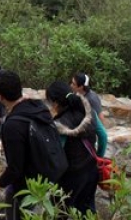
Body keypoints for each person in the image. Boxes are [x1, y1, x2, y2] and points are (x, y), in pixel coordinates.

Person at [0, 70, 55, 220]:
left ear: (0, 96)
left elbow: (15, 169)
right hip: (44, 180)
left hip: (24, 188)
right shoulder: (39, 107)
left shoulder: (12, 125)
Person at [46, 81, 98, 214]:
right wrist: (98, 158)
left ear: (55, 103)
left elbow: (56, 158)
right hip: (91, 170)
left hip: (71, 177)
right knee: (86, 212)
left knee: (59, 213)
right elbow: (103, 136)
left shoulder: (59, 125)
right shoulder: (87, 111)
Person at [70, 72, 108, 157]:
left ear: (81, 87)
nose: (71, 85)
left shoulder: (91, 99)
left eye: (73, 84)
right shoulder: (76, 93)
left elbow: (100, 117)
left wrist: (100, 155)